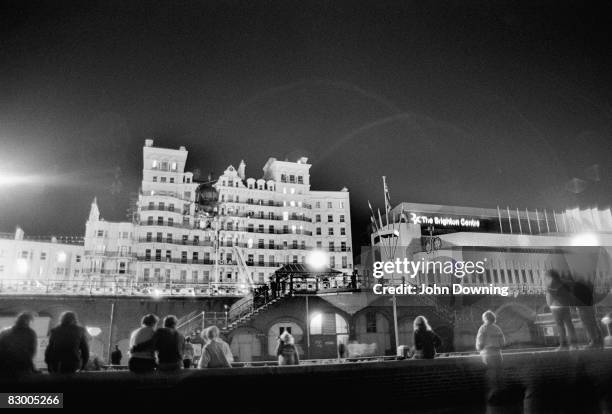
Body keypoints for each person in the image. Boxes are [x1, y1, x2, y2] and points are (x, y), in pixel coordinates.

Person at [544, 269, 577, 350]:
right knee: (569, 325)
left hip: (556, 308)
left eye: (547, 276)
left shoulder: (550, 284)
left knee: (561, 326)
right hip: (563, 306)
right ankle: (573, 345)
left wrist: (550, 305)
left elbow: (548, 297)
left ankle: (564, 345)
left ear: (551, 276)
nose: (546, 278)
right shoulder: (562, 283)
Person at [0, 312, 38, 377]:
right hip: (22, 366)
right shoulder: (30, 333)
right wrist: (31, 367)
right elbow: (31, 352)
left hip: (5, 365)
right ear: (28, 322)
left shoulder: (5, 332)